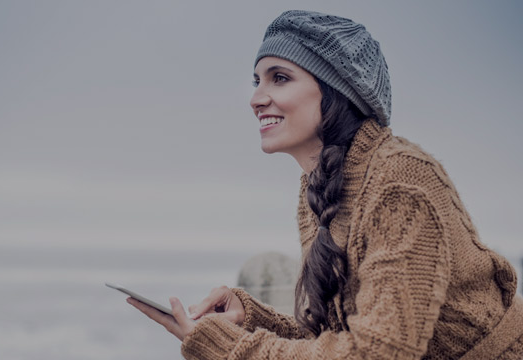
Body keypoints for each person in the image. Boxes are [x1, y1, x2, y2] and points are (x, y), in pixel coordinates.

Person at [127, 10, 523, 359]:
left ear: (336, 92)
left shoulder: (400, 182)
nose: (256, 98)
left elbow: (379, 352)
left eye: (279, 78)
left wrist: (229, 349)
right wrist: (250, 319)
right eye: (256, 80)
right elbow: (336, 340)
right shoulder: (319, 188)